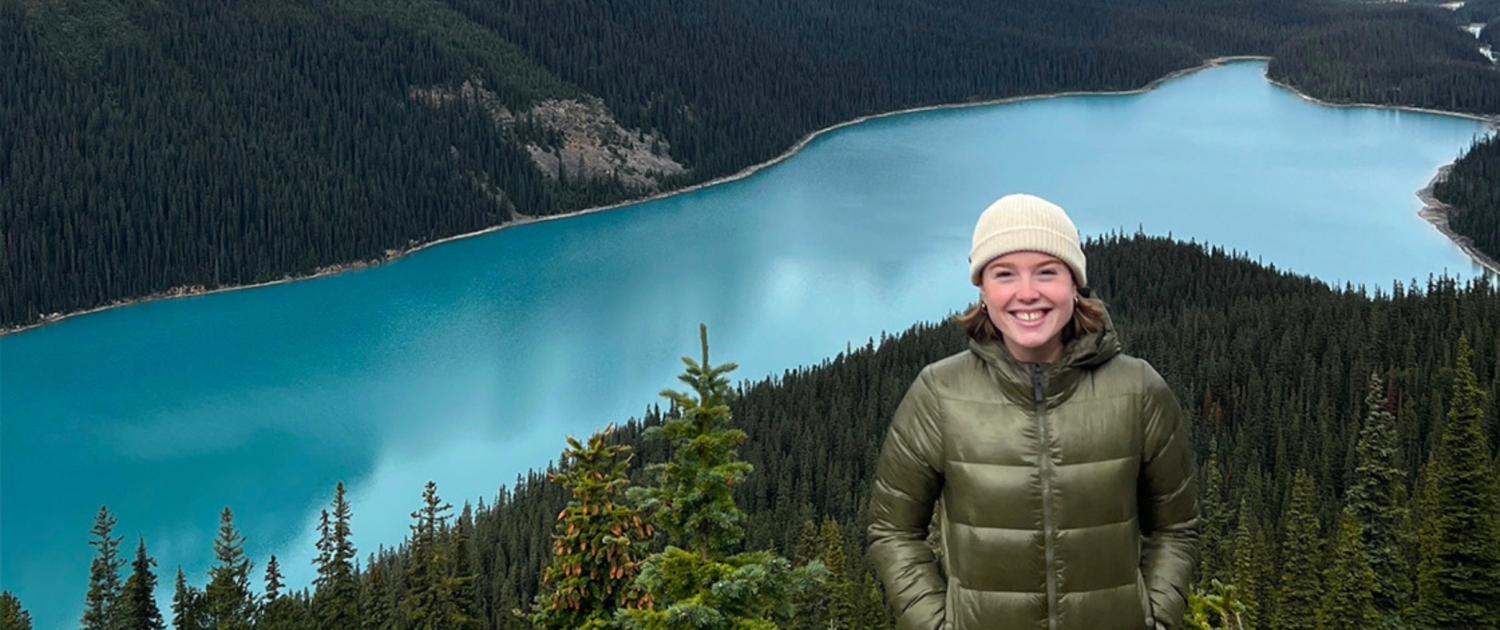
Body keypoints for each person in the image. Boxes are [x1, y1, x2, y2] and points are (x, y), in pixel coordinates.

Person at [867, 194, 1199, 630]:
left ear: (1074, 284)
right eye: (1005, 274)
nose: (1027, 293)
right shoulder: (939, 393)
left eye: (1047, 272)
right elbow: (892, 532)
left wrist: (1154, 619)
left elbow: (1177, 529)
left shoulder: (1137, 389)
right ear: (983, 290)